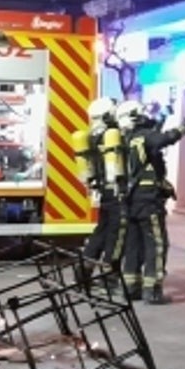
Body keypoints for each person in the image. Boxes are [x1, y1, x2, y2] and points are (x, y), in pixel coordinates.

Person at [117, 99, 185, 305]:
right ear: (137, 117)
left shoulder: (124, 139)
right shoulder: (145, 136)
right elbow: (164, 138)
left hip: (130, 199)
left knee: (133, 244)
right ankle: (152, 290)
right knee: (156, 244)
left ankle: (131, 287)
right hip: (148, 200)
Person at [80, 97, 127, 286]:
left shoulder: (91, 138)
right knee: (117, 234)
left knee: (100, 231)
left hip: (102, 191)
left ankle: (84, 271)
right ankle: (110, 274)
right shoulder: (114, 137)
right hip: (117, 192)